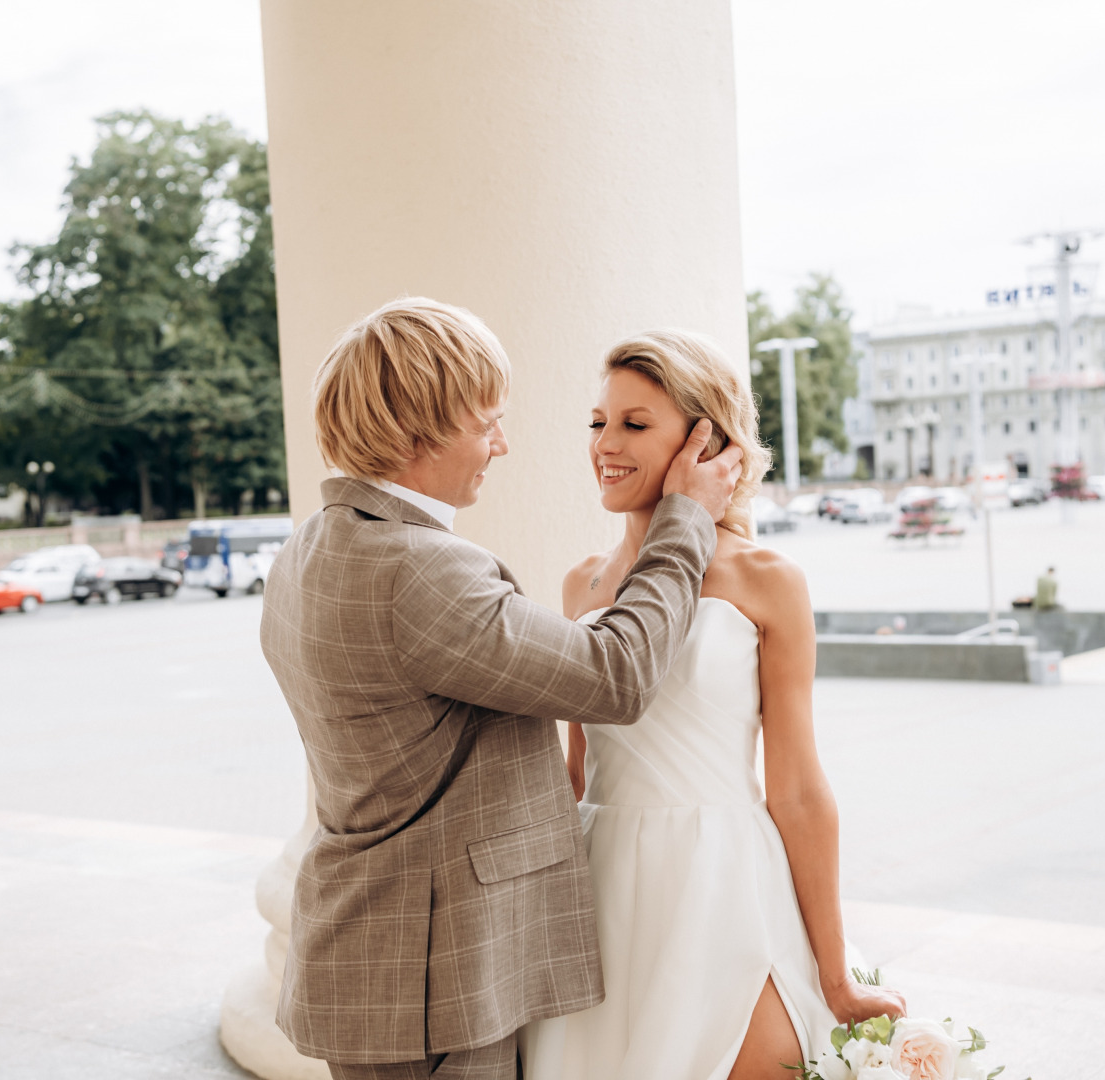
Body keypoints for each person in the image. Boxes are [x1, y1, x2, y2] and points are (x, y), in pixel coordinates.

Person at [259, 298, 744, 1080]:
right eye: (486, 422)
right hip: (435, 977)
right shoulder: (419, 568)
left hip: (374, 961)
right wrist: (684, 520)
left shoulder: (310, 546)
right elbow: (614, 676)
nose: (502, 443)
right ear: (422, 428)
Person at [520, 330, 906, 1080]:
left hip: (725, 879)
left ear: (705, 443)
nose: (606, 443)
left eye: (635, 424)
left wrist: (835, 973)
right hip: (600, 889)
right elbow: (573, 775)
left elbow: (796, 789)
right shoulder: (582, 586)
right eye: (599, 422)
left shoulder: (767, 579)